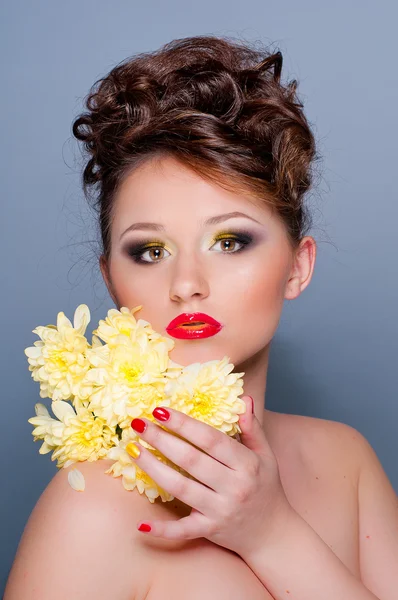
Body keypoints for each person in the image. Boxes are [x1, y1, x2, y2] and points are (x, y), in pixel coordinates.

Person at [5, 35, 398, 600]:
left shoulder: (345, 460)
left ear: (297, 266)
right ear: (111, 278)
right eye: (150, 252)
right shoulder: (90, 506)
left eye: (230, 241)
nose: (187, 284)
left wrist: (273, 534)